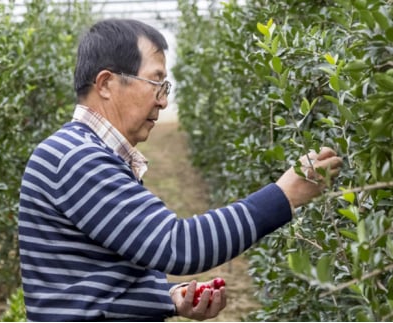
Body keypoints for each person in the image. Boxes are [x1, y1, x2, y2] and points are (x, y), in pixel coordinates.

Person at [18, 18, 343, 321]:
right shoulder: (77, 158)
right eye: (156, 84)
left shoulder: (83, 151)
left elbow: (95, 285)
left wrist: (168, 297)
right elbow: (178, 245)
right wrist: (284, 196)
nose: (162, 102)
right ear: (106, 83)